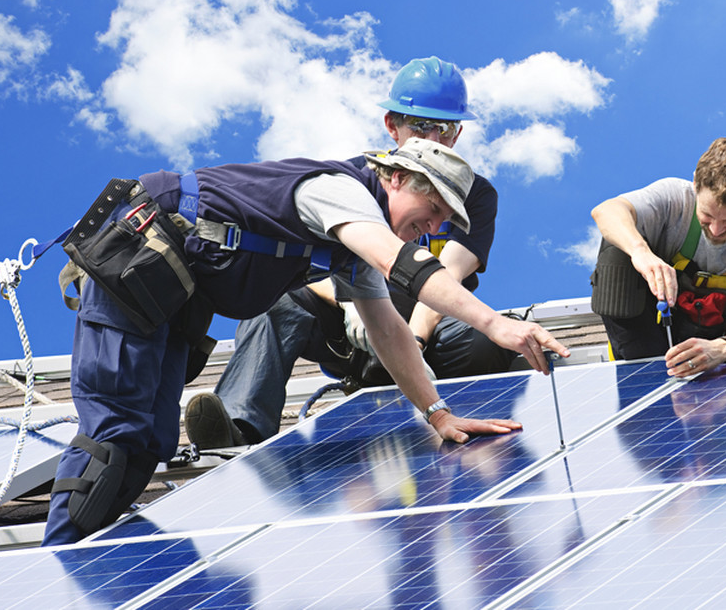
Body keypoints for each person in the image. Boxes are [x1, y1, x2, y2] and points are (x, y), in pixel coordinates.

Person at [43, 136, 569, 545]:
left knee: (152, 442)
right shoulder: (338, 192)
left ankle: (90, 572)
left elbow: (387, 329)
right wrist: (496, 324)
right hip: (136, 259)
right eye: (430, 213)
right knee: (116, 435)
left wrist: (438, 414)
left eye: (439, 225)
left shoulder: (350, 247)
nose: (428, 229)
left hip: (172, 294)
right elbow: (398, 262)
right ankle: (56, 571)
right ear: (397, 176)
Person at [185, 56, 515, 450]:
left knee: (486, 339)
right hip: (353, 328)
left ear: (457, 134)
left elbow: (447, 275)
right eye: (420, 126)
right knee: (276, 304)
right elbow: (317, 260)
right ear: (393, 127)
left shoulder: (471, 196)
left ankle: (459, 414)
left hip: (424, 329)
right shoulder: (357, 181)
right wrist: (349, 304)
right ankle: (239, 428)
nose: (433, 138)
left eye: (443, 128)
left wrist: (414, 340)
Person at [589, 136, 726, 379]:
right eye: (707, 215)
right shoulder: (673, 198)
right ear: (695, 185)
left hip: (715, 345)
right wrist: (641, 253)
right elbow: (606, 210)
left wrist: (723, 348)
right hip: (644, 338)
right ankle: (643, 372)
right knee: (617, 245)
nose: (716, 230)